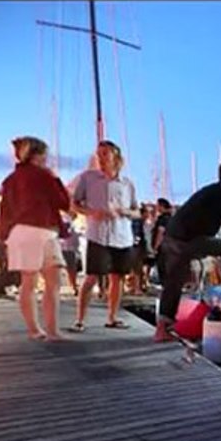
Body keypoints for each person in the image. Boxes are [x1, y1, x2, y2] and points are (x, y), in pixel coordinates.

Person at [154, 160, 221, 342]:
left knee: (173, 284)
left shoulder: (213, 192)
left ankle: (161, 330)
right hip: (188, 240)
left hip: (173, 239)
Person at [0, 136, 71, 340]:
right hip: (43, 230)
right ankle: (52, 331)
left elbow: (5, 210)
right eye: (45, 156)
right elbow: (63, 201)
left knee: (28, 283)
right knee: (52, 282)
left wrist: (4, 236)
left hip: (21, 232)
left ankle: (34, 330)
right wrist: (55, 178)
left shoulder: (10, 180)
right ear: (38, 156)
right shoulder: (44, 176)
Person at [70, 139, 139, 332]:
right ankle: (80, 320)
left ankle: (112, 317)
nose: (100, 158)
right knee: (91, 277)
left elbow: (137, 211)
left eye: (104, 154)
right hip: (98, 235)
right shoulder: (87, 178)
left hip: (122, 236)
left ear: (115, 156)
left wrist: (125, 212)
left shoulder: (127, 184)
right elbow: (75, 204)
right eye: (98, 154)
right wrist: (92, 213)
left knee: (118, 278)